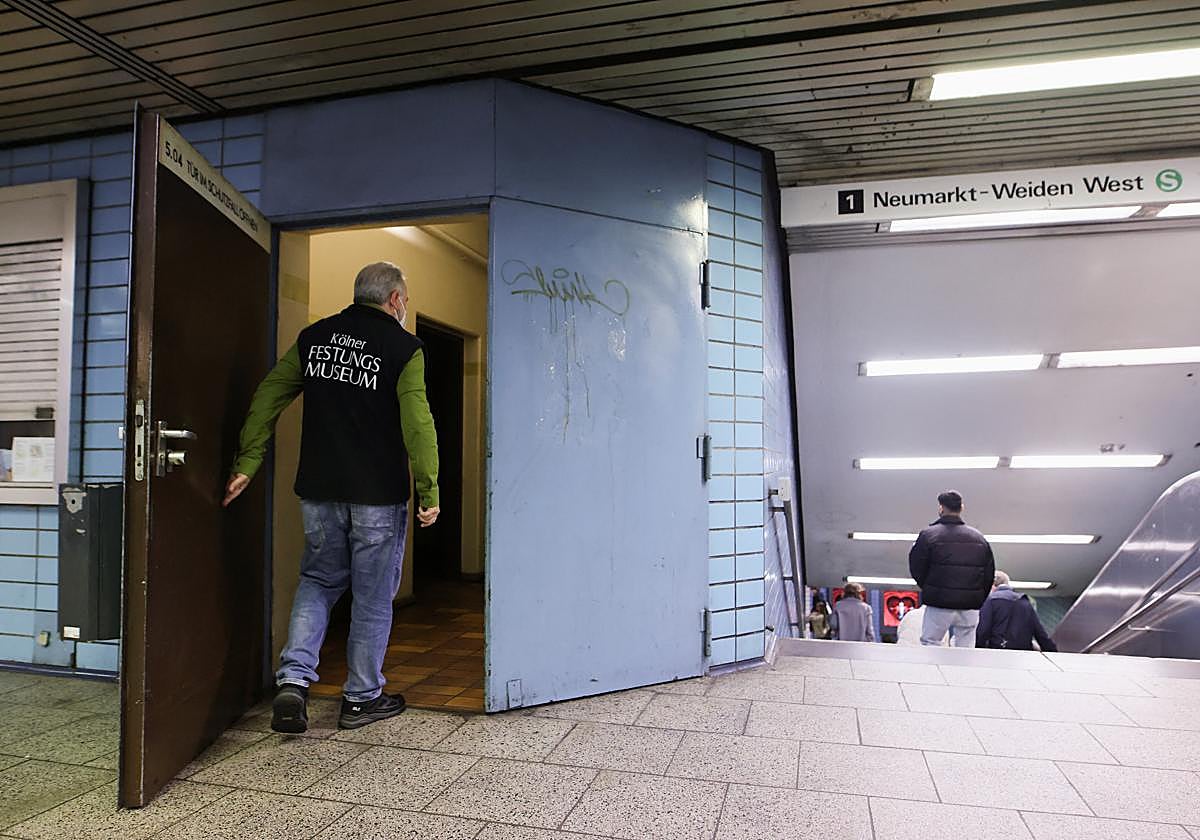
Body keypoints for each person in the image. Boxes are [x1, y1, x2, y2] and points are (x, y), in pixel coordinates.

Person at [224, 261, 440, 734]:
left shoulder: (314, 338)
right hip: (377, 496)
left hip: (319, 490)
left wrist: (248, 460)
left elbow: (268, 396)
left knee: (319, 581)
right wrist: (429, 488)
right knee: (373, 595)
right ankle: (361, 699)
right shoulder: (404, 348)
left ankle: (294, 681)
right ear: (396, 300)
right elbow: (418, 424)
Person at [908, 490, 994, 648]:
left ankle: (932, 673)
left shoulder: (928, 535)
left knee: (931, 642)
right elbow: (988, 574)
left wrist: (929, 587)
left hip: (938, 602)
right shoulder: (979, 538)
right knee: (966, 647)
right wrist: (977, 597)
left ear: (941, 508)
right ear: (962, 507)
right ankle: (962, 673)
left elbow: (916, 566)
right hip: (969, 605)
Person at [977, 571, 1058, 651]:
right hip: (1022, 656)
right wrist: (1053, 652)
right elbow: (1040, 633)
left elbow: (982, 631)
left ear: (992, 585)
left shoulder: (991, 601)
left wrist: (976, 650)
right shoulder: (1025, 602)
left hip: (997, 654)